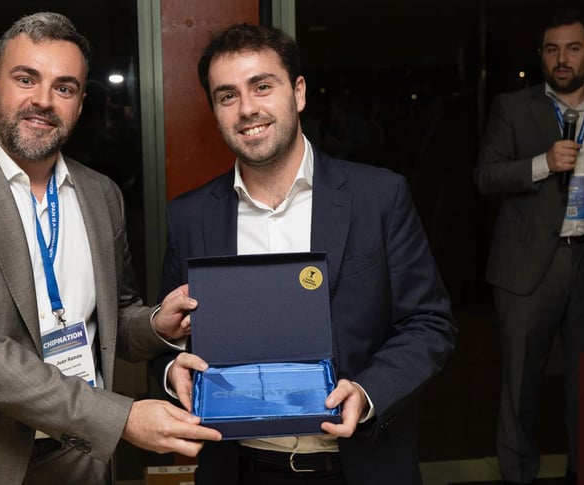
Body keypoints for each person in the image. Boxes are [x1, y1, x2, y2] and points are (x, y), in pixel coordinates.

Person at [0, 12, 221, 485]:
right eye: (26, 79)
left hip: (76, 456)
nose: (43, 100)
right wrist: (121, 418)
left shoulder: (101, 195)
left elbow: (114, 316)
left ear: (80, 104)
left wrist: (157, 324)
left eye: (64, 87)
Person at [158, 23, 456, 485]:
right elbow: (167, 334)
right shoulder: (189, 216)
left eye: (262, 86)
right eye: (227, 95)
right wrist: (171, 368)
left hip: (360, 468)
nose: (247, 108)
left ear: (298, 92)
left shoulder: (378, 197)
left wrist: (368, 392)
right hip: (241, 471)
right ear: (214, 110)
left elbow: (430, 324)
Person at [473, 10, 584, 485]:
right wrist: (542, 163)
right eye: (552, 50)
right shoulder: (513, 107)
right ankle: (518, 475)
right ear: (541, 56)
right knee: (520, 385)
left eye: (573, 48)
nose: (562, 59)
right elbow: (486, 175)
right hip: (527, 266)